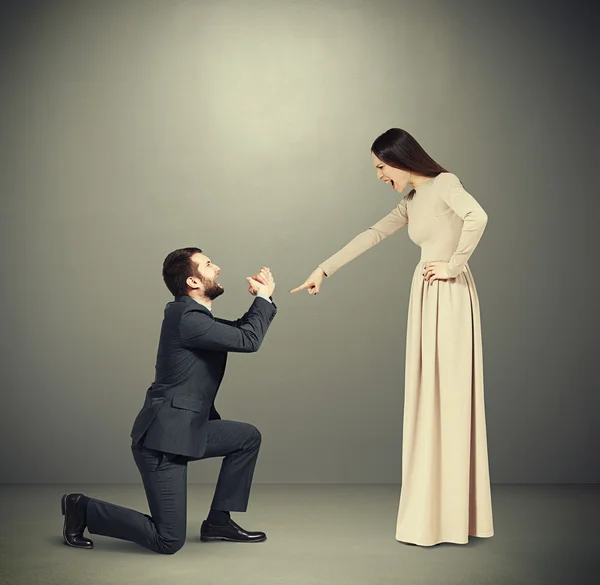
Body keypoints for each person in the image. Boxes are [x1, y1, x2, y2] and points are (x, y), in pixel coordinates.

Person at [290, 128, 494, 546]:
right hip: (426, 294)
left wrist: (454, 265)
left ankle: (454, 517)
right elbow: (372, 234)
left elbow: (478, 216)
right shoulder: (413, 201)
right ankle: (434, 512)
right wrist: (323, 270)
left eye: (381, 167)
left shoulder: (445, 184)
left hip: (449, 294)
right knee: (428, 398)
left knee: (450, 397)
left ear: (400, 160)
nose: (379, 175)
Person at [61, 247, 278, 554]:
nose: (217, 268)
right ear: (192, 281)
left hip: (187, 429)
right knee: (168, 540)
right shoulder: (188, 318)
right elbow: (248, 340)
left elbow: (241, 331)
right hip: (163, 441)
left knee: (246, 438)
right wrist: (263, 297)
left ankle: (218, 522)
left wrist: (261, 299)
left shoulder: (194, 318)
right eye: (208, 264)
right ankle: (82, 508)